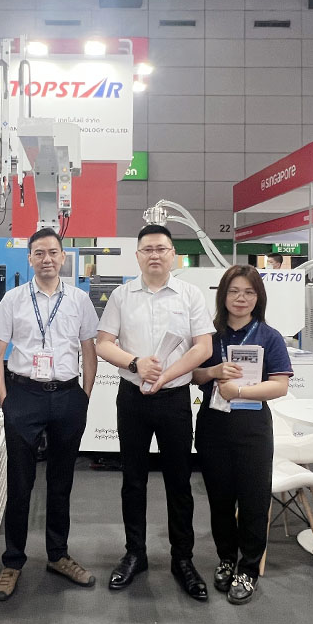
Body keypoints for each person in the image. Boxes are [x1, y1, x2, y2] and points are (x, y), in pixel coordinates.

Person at [95, 224, 214, 600]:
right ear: (137, 256)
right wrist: (136, 363)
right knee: (133, 480)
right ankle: (135, 553)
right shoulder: (121, 296)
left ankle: (183, 559)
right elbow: (103, 344)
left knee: (179, 481)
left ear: (173, 254)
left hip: (174, 399)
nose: (155, 255)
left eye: (161, 248)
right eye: (147, 249)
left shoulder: (190, 295)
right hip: (132, 398)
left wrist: (166, 375)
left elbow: (203, 347)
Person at [0, 228, 99, 601]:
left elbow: (89, 351)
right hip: (24, 396)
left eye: (53, 252)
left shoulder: (79, 300)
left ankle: (58, 555)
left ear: (63, 257)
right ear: (30, 259)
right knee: (20, 483)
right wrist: (6, 400)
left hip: (67, 396)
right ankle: (12, 561)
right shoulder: (14, 299)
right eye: (39, 253)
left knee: (61, 481)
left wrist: (83, 397)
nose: (46, 258)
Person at [190, 266, 293, 605]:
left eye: (248, 292)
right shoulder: (209, 336)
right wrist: (214, 371)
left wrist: (239, 391)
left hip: (252, 428)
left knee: (253, 500)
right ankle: (226, 558)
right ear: (223, 295)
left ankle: (248, 568)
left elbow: (279, 385)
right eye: (234, 291)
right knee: (220, 499)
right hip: (213, 425)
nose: (240, 298)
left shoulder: (269, 336)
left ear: (258, 297)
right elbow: (193, 375)